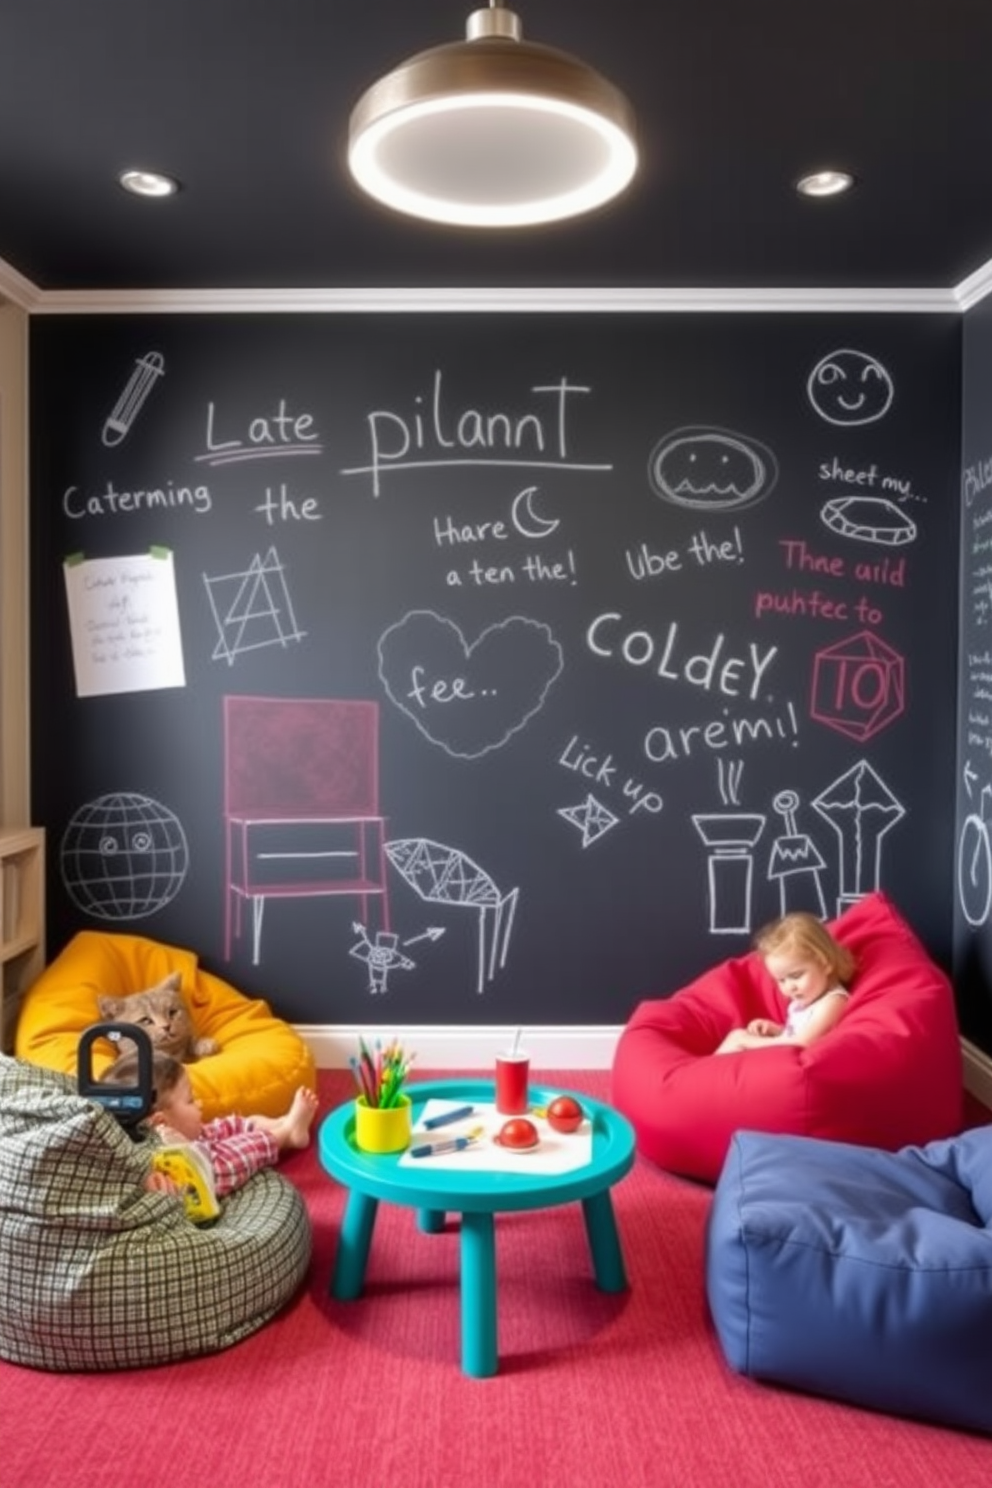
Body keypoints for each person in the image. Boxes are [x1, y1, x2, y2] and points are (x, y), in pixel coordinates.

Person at [99, 1049, 319, 1197]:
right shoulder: (149, 1157)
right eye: (190, 1101)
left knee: (226, 1126)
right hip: (196, 1181)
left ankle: (280, 1122)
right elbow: (210, 1170)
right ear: (159, 1123)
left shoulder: (173, 1130)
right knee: (222, 1159)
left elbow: (211, 1132)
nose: (200, 1104)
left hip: (190, 1143)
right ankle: (286, 1134)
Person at [715, 911, 856, 1055]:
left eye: (796, 976)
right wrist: (776, 1030)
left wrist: (746, 1042)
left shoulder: (832, 1001)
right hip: (787, 1058)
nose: (789, 987)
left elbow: (802, 1042)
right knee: (737, 1037)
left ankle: (710, 1071)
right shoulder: (804, 1001)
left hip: (797, 1064)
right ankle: (708, 1072)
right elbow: (796, 1034)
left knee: (737, 1037)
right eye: (781, 980)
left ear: (825, 963)